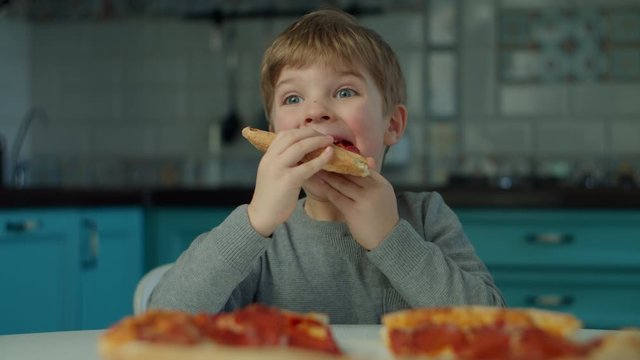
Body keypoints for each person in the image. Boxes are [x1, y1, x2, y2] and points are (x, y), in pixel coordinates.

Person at [149, 8, 504, 323]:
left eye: (345, 91)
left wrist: (390, 237)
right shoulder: (263, 237)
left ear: (392, 125)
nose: (315, 110)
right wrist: (254, 221)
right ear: (274, 138)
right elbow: (161, 320)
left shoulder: (427, 217)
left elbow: (493, 326)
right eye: (293, 98)